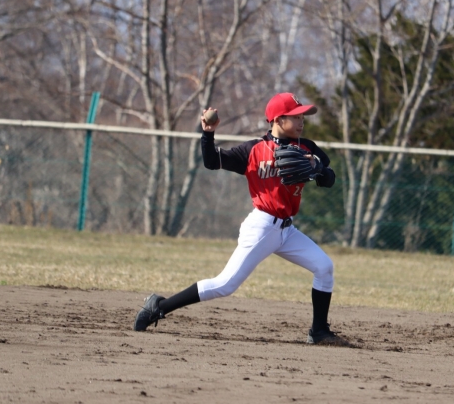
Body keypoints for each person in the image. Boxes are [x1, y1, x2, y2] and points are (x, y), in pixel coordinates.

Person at [133, 92, 349, 346]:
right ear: (278, 120)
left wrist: (318, 169)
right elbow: (212, 161)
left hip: (287, 230)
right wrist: (208, 134)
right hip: (262, 227)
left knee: (324, 267)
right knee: (225, 285)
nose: (302, 121)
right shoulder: (253, 150)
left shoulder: (307, 147)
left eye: (303, 117)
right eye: (296, 117)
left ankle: (319, 331)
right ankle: (158, 307)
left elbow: (329, 178)